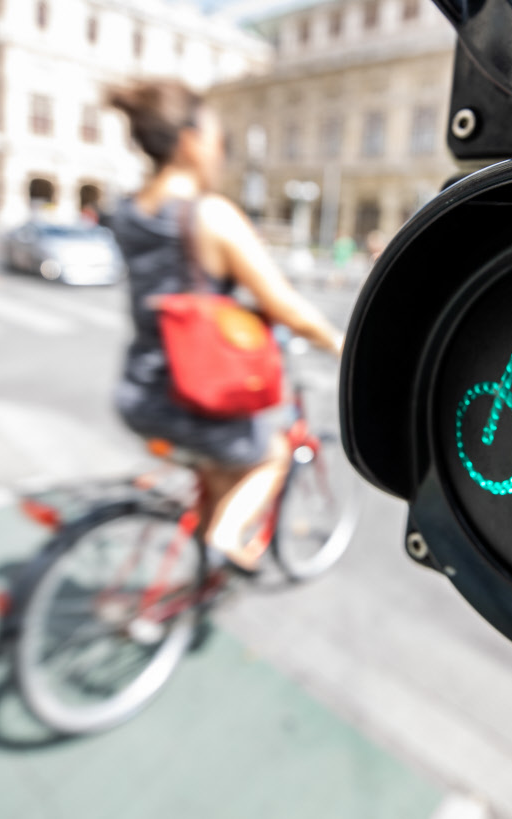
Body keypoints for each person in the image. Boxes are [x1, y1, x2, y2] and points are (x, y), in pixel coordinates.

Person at [107, 81, 344, 570]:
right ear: (191, 142)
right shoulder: (209, 216)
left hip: (140, 391)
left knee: (220, 471)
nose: (222, 154)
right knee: (271, 455)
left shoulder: (129, 212)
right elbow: (289, 309)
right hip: (195, 397)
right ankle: (224, 538)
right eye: (219, 141)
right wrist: (343, 346)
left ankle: (199, 578)